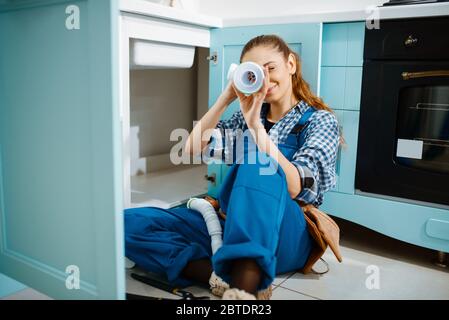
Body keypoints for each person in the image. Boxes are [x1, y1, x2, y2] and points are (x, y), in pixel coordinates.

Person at [124, 34, 340, 300]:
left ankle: (246, 286)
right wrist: (225, 99)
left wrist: (257, 130)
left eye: (271, 68)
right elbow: (192, 149)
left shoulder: (319, 121)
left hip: (287, 234)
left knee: (258, 162)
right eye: (255, 72)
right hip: (233, 225)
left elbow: (295, 187)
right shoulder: (247, 114)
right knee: (129, 222)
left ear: (291, 64)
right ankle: (218, 279)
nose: (266, 78)